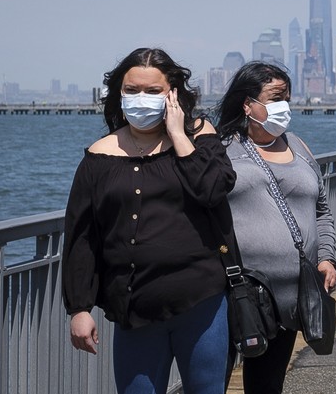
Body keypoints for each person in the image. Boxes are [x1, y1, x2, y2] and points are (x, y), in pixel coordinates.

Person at [61, 47, 237, 394]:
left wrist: (178, 135)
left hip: (201, 302)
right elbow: (82, 237)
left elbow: (214, 189)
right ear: (118, 95)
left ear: (172, 94)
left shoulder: (199, 135)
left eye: (153, 91)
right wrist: (79, 308)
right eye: (132, 90)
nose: (142, 99)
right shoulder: (99, 156)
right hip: (134, 309)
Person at [215, 62, 336, 394]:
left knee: (267, 386)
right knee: (214, 382)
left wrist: (327, 258)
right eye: (274, 97)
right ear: (247, 104)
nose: (283, 105)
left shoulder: (298, 146)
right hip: (237, 294)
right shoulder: (223, 149)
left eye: (286, 97)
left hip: (289, 299)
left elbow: (322, 211)